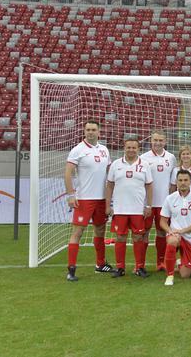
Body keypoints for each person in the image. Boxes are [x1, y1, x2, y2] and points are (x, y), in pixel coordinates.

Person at [64, 120, 112, 281]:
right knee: (77, 232)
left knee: (100, 230)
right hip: (84, 199)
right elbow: (68, 173)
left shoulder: (104, 149)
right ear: (84, 131)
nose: (90, 132)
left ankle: (100, 264)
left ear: (99, 132)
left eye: (93, 129)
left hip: (101, 199)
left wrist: (110, 199)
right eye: (88, 129)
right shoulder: (78, 150)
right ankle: (71, 269)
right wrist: (71, 195)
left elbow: (109, 174)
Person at [105, 138, 154, 278]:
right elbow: (109, 185)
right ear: (124, 148)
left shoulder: (144, 165)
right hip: (120, 209)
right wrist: (108, 205)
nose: (131, 150)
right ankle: (120, 268)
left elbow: (149, 186)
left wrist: (149, 205)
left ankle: (139, 267)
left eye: (134, 148)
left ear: (138, 149)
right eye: (129, 147)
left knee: (138, 237)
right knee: (120, 237)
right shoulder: (116, 165)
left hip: (138, 209)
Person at [159, 169, 191, 286]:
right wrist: (171, 231)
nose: (183, 183)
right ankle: (170, 276)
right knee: (172, 240)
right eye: (180, 180)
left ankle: (180, 263)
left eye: (186, 180)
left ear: (190, 182)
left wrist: (182, 231)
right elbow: (162, 222)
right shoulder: (170, 198)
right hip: (176, 235)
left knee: (185, 275)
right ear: (176, 181)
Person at [140, 130, 176, 272]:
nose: (158, 143)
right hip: (147, 203)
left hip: (164, 204)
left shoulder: (171, 157)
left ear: (165, 141)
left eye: (161, 140)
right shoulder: (143, 158)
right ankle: (140, 264)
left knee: (162, 233)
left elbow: (173, 181)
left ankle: (161, 262)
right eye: (155, 140)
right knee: (144, 233)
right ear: (151, 141)